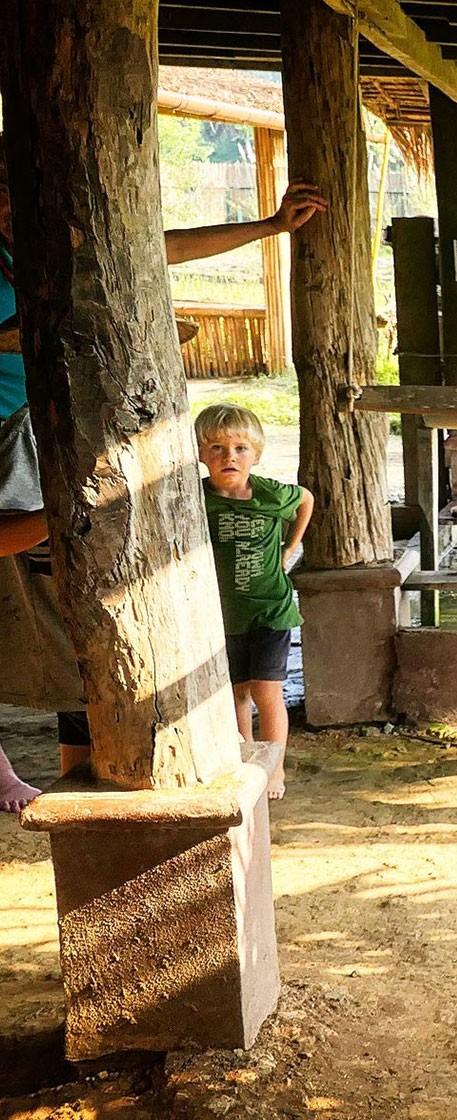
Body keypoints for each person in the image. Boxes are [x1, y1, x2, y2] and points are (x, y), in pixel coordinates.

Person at [0, 132, 326, 811]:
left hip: (44, 431)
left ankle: (89, 768)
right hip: (11, 444)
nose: (14, 206)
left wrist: (267, 226)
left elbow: (157, 248)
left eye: (21, 192)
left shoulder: (41, 254)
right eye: (4, 192)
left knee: (70, 605)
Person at [196, 404, 312, 802]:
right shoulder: (196, 498)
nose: (229, 456)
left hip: (271, 609)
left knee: (267, 690)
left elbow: (306, 500)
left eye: (241, 448)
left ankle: (274, 767)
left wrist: (289, 549)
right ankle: (245, 757)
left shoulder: (268, 494)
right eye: (217, 447)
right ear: (200, 453)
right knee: (235, 692)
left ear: (256, 454)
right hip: (224, 614)